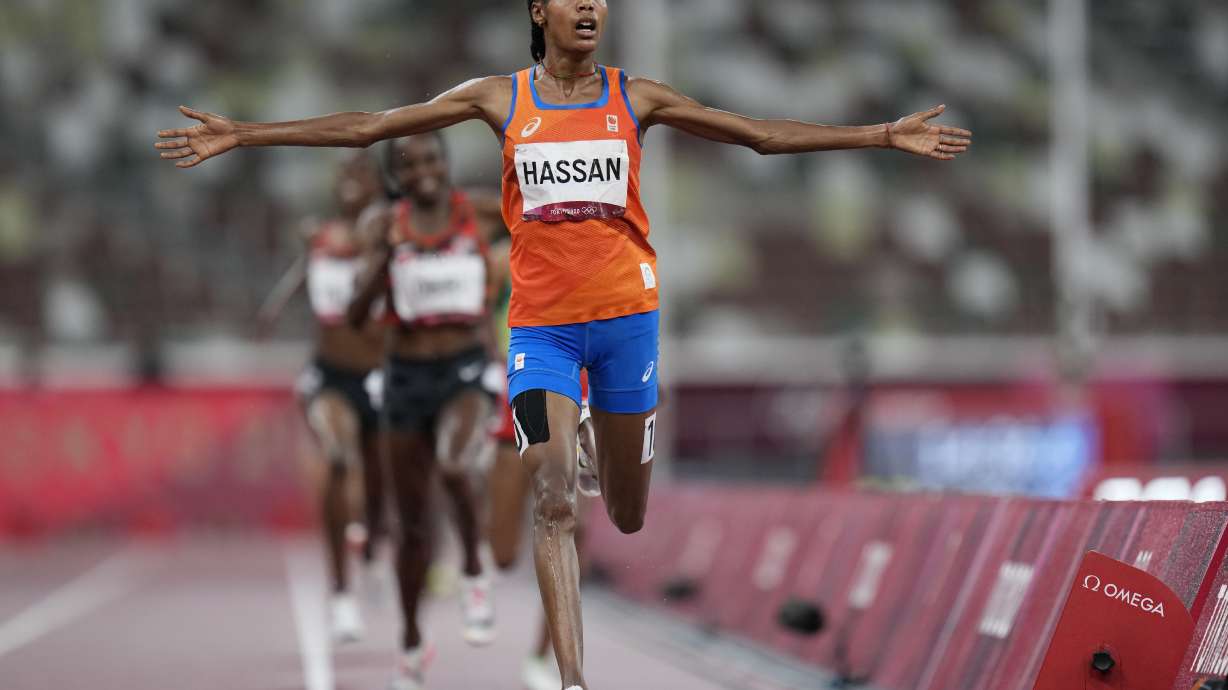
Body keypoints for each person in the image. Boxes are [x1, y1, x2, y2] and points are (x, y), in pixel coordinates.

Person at [155, 3, 972, 686]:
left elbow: (755, 133)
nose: (590, 8)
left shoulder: (635, 97)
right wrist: (245, 134)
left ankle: (594, 444)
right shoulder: (499, 99)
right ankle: (574, 680)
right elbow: (373, 126)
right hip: (540, 330)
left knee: (626, 511)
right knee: (551, 498)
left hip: (627, 325)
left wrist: (880, 134)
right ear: (540, 13)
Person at [345, 132, 506, 690]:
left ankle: (473, 566)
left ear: (448, 162)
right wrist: (387, 255)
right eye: (409, 166)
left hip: (464, 368)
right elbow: (355, 314)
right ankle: (412, 640)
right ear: (397, 177)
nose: (424, 173)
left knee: (457, 466)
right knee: (410, 527)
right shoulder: (380, 226)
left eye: (433, 160)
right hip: (405, 375)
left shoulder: (481, 213)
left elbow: (544, 232)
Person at [257, 151, 388, 643]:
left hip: (381, 375)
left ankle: (374, 546)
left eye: (360, 174)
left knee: (378, 483)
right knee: (336, 459)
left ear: (378, 183)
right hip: (330, 375)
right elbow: (295, 281)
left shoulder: (392, 233)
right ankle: (339, 595)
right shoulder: (321, 236)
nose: (350, 183)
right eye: (343, 176)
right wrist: (275, 306)